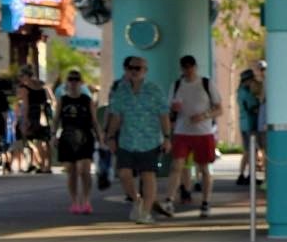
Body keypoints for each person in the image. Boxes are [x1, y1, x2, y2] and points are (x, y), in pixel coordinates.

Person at [103, 55, 170, 225]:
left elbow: (163, 115)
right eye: (130, 68)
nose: (134, 71)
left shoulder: (154, 90)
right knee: (124, 174)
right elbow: (116, 116)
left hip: (150, 140)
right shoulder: (121, 91)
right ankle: (136, 199)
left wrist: (167, 137)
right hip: (127, 140)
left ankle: (145, 213)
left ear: (145, 71)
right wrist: (110, 136)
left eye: (137, 68)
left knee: (148, 175)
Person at [167, 54, 221, 218]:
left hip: (203, 132)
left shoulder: (206, 84)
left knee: (204, 168)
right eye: (185, 67)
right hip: (182, 131)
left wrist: (203, 116)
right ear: (181, 68)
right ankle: (169, 200)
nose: (188, 70)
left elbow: (219, 109)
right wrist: (173, 111)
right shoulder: (176, 85)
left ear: (195, 67)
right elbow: (169, 109)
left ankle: (206, 202)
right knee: (177, 165)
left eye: (191, 66)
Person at [54, 70, 98, 215]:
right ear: (67, 82)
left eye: (76, 79)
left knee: (84, 170)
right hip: (67, 138)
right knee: (71, 171)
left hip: (85, 137)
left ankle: (86, 200)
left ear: (81, 82)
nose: (73, 82)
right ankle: (74, 201)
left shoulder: (87, 100)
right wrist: (53, 135)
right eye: (70, 79)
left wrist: (100, 137)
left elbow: (94, 121)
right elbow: (56, 119)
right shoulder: (62, 100)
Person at [234, 68, 264, 187]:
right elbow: (253, 107)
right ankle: (251, 176)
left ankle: (242, 174)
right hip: (250, 124)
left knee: (247, 151)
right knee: (252, 151)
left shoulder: (239, 91)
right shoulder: (246, 92)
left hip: (244, 124)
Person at [19, 69, 52, 173]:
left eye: (21, 76)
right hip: (44, 114)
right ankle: (48, 165)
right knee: (45, 140)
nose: (20, 78)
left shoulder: (25, 88)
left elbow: (26, 105)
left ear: (26, 76)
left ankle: (41, 165)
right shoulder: (42, 85)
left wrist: (25, 120)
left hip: (33, 115)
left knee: (37, 140)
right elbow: (50, 99)